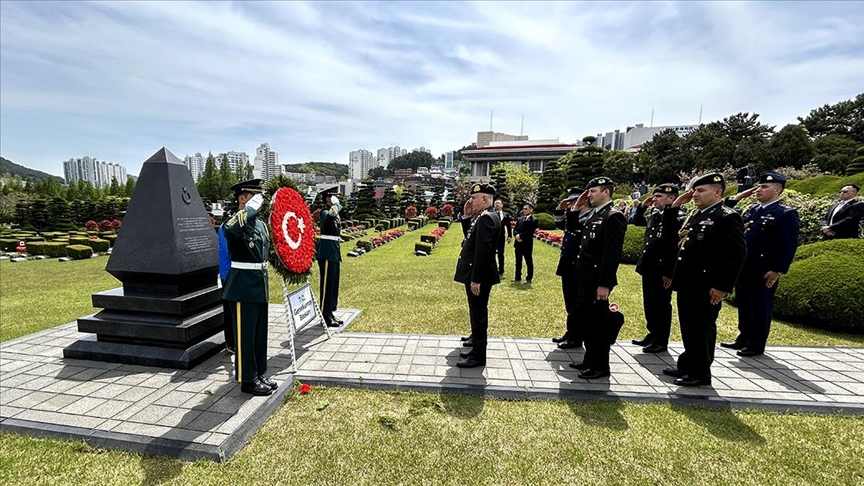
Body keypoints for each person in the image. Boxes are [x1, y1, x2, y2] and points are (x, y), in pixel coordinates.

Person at [663, 173, 746, 387]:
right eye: (694, 190)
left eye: (701, 190)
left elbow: (736, 254)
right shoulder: (697, 214)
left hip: (706, 285)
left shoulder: (726, 217)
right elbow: (673, 234)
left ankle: (700, 373)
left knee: (701, 329)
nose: (694, 194)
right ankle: (688, 363)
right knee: (689, 327)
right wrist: (675, 206)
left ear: (717, 192)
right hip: (688, 283)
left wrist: (722, 286)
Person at [722, 172, 800, 356]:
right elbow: (726, 209)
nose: (758, 190)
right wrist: (740, 196)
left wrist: (778, 270)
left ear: (777, 190)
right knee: (745, 304)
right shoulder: (752, 210)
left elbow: (788, 244)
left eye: (764, 187)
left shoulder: (785, 213)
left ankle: (756, 343)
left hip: (764, 269)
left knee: (760, 305)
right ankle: (744, 337)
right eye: (758, 186)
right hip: (745, 266)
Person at [565, 177, 627, 380]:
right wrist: (577, 204)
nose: (589, 195)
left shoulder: (613, 216)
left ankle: (600, 366)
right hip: (584, 278)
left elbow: (611, 254)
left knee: (597, 325)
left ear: (606, 192)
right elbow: (573, 224)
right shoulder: (594, 214)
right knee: (586, 323)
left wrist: (604, 284)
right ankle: (589, 360)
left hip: (597, 280)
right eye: (588, 191)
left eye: (593, 191)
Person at [222, 178, 276, 396]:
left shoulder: (261, 225)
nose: (258, 200)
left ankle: (259, 372)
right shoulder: (234, 222)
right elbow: (230, 230)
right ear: (242, 198)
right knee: (245, 335)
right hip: (243, 286)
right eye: (253, 196)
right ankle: (247, 379)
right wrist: (250, 209)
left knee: (259, 334)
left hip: (259, 284)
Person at [631, 183, 684, 354]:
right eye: (654, 196)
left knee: (661, 305)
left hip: (663, 269)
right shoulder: (655, 214)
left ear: (671, 198)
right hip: (649, 266)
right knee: (650, 303)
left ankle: (661, 340)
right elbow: (637, 222)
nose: (654, 199)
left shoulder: (678, 217)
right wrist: (641, 208)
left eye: (659, 197)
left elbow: (675, 247)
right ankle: (652, 333)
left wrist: (670, 273)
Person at [454, 183, 501, 368]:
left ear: (485, 198)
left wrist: (476, 278)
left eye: (474, 198)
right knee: (476, 313)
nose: (471, 200)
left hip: (479, 276)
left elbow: (483, 251)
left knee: (479, 315)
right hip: (476, 273)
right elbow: (471, 238)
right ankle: (476, 345)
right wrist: (466, 216)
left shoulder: (487, 218)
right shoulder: (482, 216)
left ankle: (478, 356)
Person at [553, 186, 587, 349]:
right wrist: (560, 208)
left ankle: (576, 335)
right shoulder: (572, 217)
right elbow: (559, 224)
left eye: (575, 200)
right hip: (567, 264)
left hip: (578, 265)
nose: (572, 204)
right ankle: (571, 330)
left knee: (577, 302)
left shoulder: (587, 218)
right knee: (569, 301)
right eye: (571, 201)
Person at [316, 188, 343, 328]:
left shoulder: (334, 212)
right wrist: (336, 205)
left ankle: (330, 312)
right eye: (333, 196)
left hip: (334, 251)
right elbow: (329, 217)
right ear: (327, 198)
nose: (335, 198)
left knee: (333, 284)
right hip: (326, 252)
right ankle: (324, 315)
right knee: (326, 285)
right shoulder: (324, 212)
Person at [217, 221, 235, 354]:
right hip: (229, 274)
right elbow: (230, 251)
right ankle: (231, 343)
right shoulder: (226, 226)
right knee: (230, 310)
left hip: (239, 274)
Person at [512, 202, 539, 284]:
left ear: (531, 210)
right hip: (518, 244)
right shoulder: (520, 219)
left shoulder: (534, 220)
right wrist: (516, 235)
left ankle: (529, 278)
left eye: (526, 209)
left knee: (528, 261)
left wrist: (520, 236)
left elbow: (530, 232)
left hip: (527, 244)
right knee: (518, 261)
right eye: (523, 209)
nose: (524, 210)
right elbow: (515, 229)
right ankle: (517, 276)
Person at [492, 199, 513, 275]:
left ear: (502, 205)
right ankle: (492, 269)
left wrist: (510, 236)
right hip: (492, 237)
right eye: (495, 203)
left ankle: (501, 269)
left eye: (498, 203)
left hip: (501, 237)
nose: (497, 205)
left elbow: (508, 226)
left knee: (501, 254)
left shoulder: (505, 215)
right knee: (492, 253)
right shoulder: (491, 214)